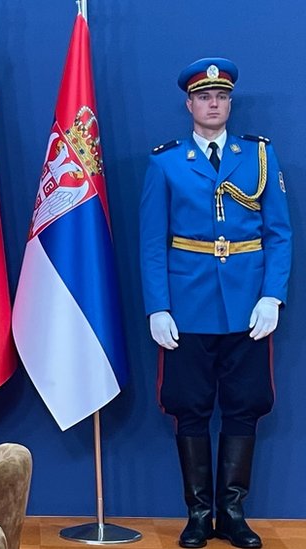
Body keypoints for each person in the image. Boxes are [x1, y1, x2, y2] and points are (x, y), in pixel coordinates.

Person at [140, 57, 291, 549]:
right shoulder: (165, 162)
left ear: (230, 103)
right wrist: (157, 306)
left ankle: (232, 513)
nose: (213, 104)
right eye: (204, 97)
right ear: (189, 105)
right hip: (188, 304)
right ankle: (198, 514)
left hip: (248, 306)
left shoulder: (259, 156)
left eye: (221, 97)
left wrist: (272, 296)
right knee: (190, 406)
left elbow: (279, 234)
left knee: (245, 404)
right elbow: (152, 241)